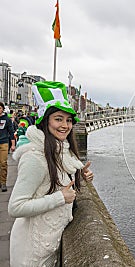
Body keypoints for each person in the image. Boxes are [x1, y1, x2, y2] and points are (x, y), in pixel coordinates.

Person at [8, 81, 94, 266]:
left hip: (47, 246)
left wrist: (81, 176)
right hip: (31, 253)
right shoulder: (35, 157)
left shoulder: (60, 149)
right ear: (45, 121)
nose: (65, 125)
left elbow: (63, 172)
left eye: (69, 120)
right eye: (58, 119)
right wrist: (60, 198)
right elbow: (15, 207)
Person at [0, 102, 16, 192]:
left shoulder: (7, 119)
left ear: (2, 109)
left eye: (0, 108)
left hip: (3, 143)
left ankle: (3, 183)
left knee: (3, 163)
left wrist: (13, 145)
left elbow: (11, 132)